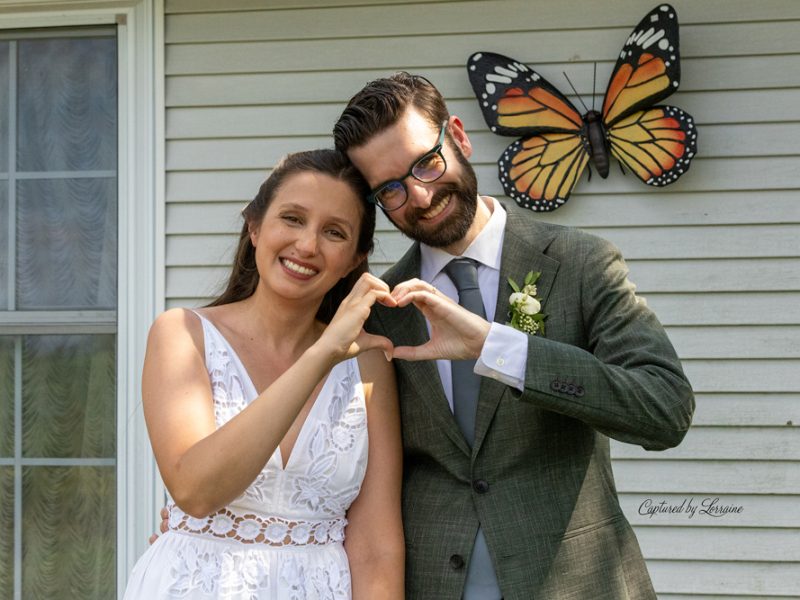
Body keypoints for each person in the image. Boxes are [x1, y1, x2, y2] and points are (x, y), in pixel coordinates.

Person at [330, 73, 695, 599]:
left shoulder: (579, 264)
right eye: (390, 189)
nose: (421, 194)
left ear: (458, 135)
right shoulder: (380, 310)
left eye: (426, 162)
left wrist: (498, 350)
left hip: (576, 583)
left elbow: (665, 411)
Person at [125, 149, 405, 599]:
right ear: (255, 227)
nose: (308, 245)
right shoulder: (182, 334)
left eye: (334, 232)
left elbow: (376, 547)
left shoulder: (370, 365)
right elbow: (196, 491)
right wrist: (322, 355)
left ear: (355, 259)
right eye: (292, 219)